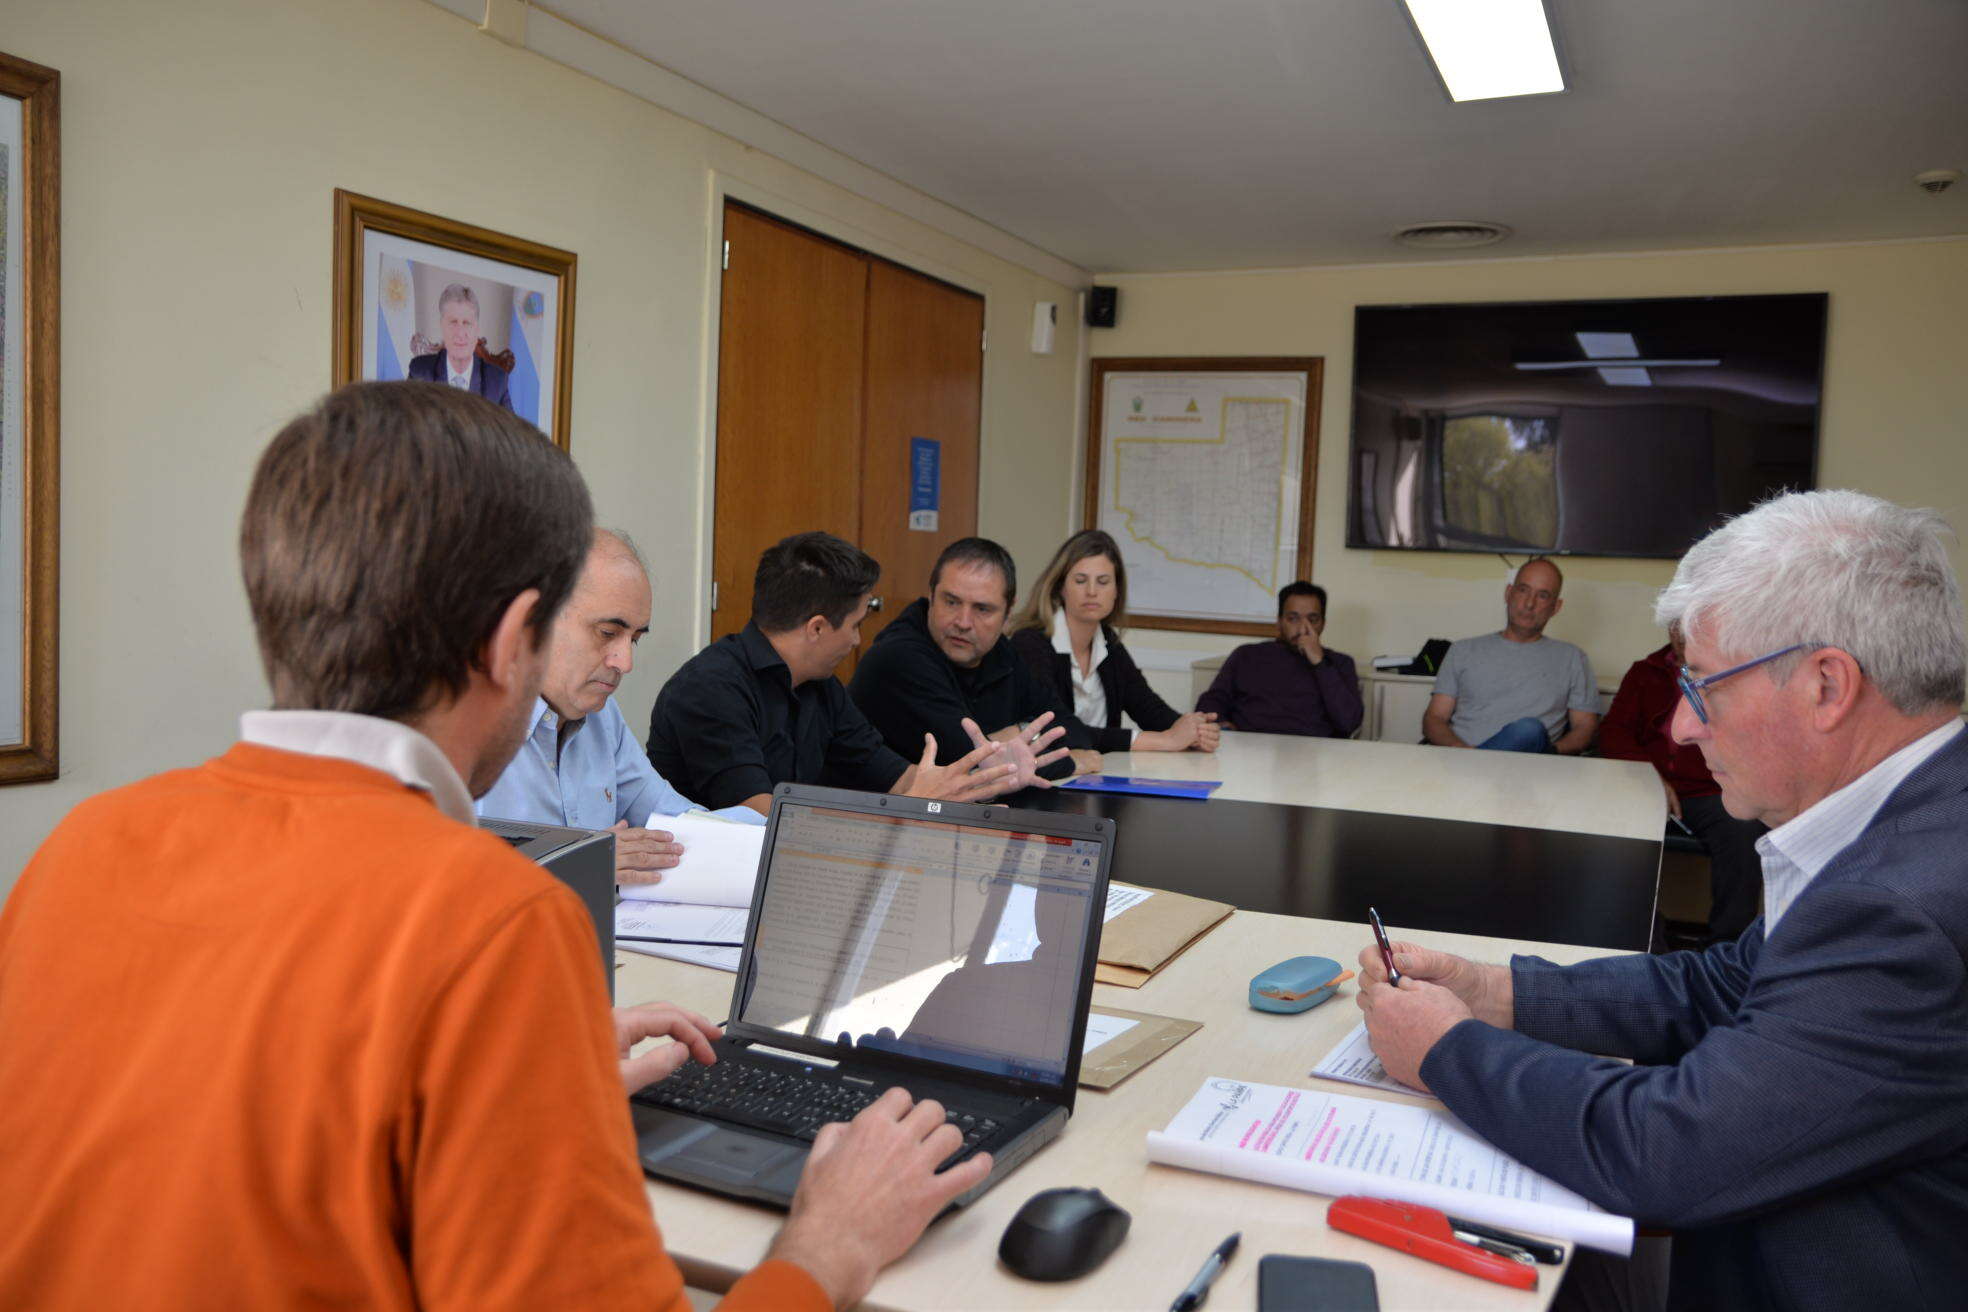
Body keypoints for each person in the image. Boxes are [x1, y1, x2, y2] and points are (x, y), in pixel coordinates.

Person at [0, 382, 987, 1310]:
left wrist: (520, 1080)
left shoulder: (85, 845)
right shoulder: (493, 921)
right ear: (516, 636)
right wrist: (827, 1248)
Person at [1356, 489, 1968, 1311]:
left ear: (1827, 685)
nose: (1680, 726)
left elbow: (1668, 1153)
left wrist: (1444, 1048)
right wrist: (1493, 990)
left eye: (1704, 686)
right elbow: (1723, 985)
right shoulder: (1913, 817)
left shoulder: (1905, 907)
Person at [650, 530, 1067, 816]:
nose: (856, 640)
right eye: (855, 625)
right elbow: (758, 816)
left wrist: (989, 776)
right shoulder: (711, 687)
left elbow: (902, 780)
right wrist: (904, 809)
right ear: (817, 628)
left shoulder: (821, 687)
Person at [477, 527, 767, 886]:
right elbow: (433, 882)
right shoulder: (458, 721)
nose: (625, 662)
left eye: (635, 639)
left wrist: (777, 832)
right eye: (607, 633)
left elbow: (674, 823)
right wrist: (572, 868)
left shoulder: (603, 717)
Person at [851, 537, 1088, 778]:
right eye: (951, 602)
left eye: (982, 609)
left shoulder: (1000, 651)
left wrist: (1016, 732)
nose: (963, 623)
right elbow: (975, 764)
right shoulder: (898, 657)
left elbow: (1073, 729)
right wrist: (1070, 763)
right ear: (931, 596)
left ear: (1008, 612)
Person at [1601, 622, 1767, 940]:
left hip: (1708, 791)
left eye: (1690, 624)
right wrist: (1652, 778)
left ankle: (1729, 947)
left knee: (1744, 829)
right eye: (1676, 624)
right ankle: (1647, 943)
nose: (1681, 634)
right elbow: (1613, 733)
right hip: (1647, 789)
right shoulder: (1644, 672)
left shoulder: (1732, 674)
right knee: (1612, 831)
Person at [1008, 529, 1220, 753]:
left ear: (1116, 590)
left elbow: (1150, 710)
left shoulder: (1109, 643)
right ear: (1060, 587)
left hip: (1103, 769)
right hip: (1052, 771)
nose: (1092, 591)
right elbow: (1058, 729)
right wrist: (1165, 740)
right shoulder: (1030, 643)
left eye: (1103, 582)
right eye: (1080, 581)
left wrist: (1195, 730)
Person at [1423, 557, 1599, 753]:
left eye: (1542, 596)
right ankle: (1481, 763)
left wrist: (1551, 753)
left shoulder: (1573, 658)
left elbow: (1585, 727)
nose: (1529, 603)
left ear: (1556, 607)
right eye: (1523, 590)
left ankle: (1482, 764)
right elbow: (1435, 718)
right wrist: (1460, 749)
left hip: (1531, 765)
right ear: (1508, 594)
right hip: (1462, 759)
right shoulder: (1462, 650)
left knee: (1528, 730)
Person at [1197, 581, 1363, 737]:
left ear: (1323, 624)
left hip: (1313, 751)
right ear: (1279, 622)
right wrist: (1222, 724)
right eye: (1293, 618)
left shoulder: (1340, 663)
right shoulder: (1247, 655)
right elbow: (1211, 701)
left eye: (1312, 620)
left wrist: (1320, 663)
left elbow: (1349, 722)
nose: (1303, 628)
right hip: (1251, 746)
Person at [406, 282, 513, 409]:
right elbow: (404, 420)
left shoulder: (497, 381)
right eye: (453, 322)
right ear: (442, 326)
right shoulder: (420, 372)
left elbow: (509, 423)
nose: (460, 333)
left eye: (466, 323)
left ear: (477, 329)